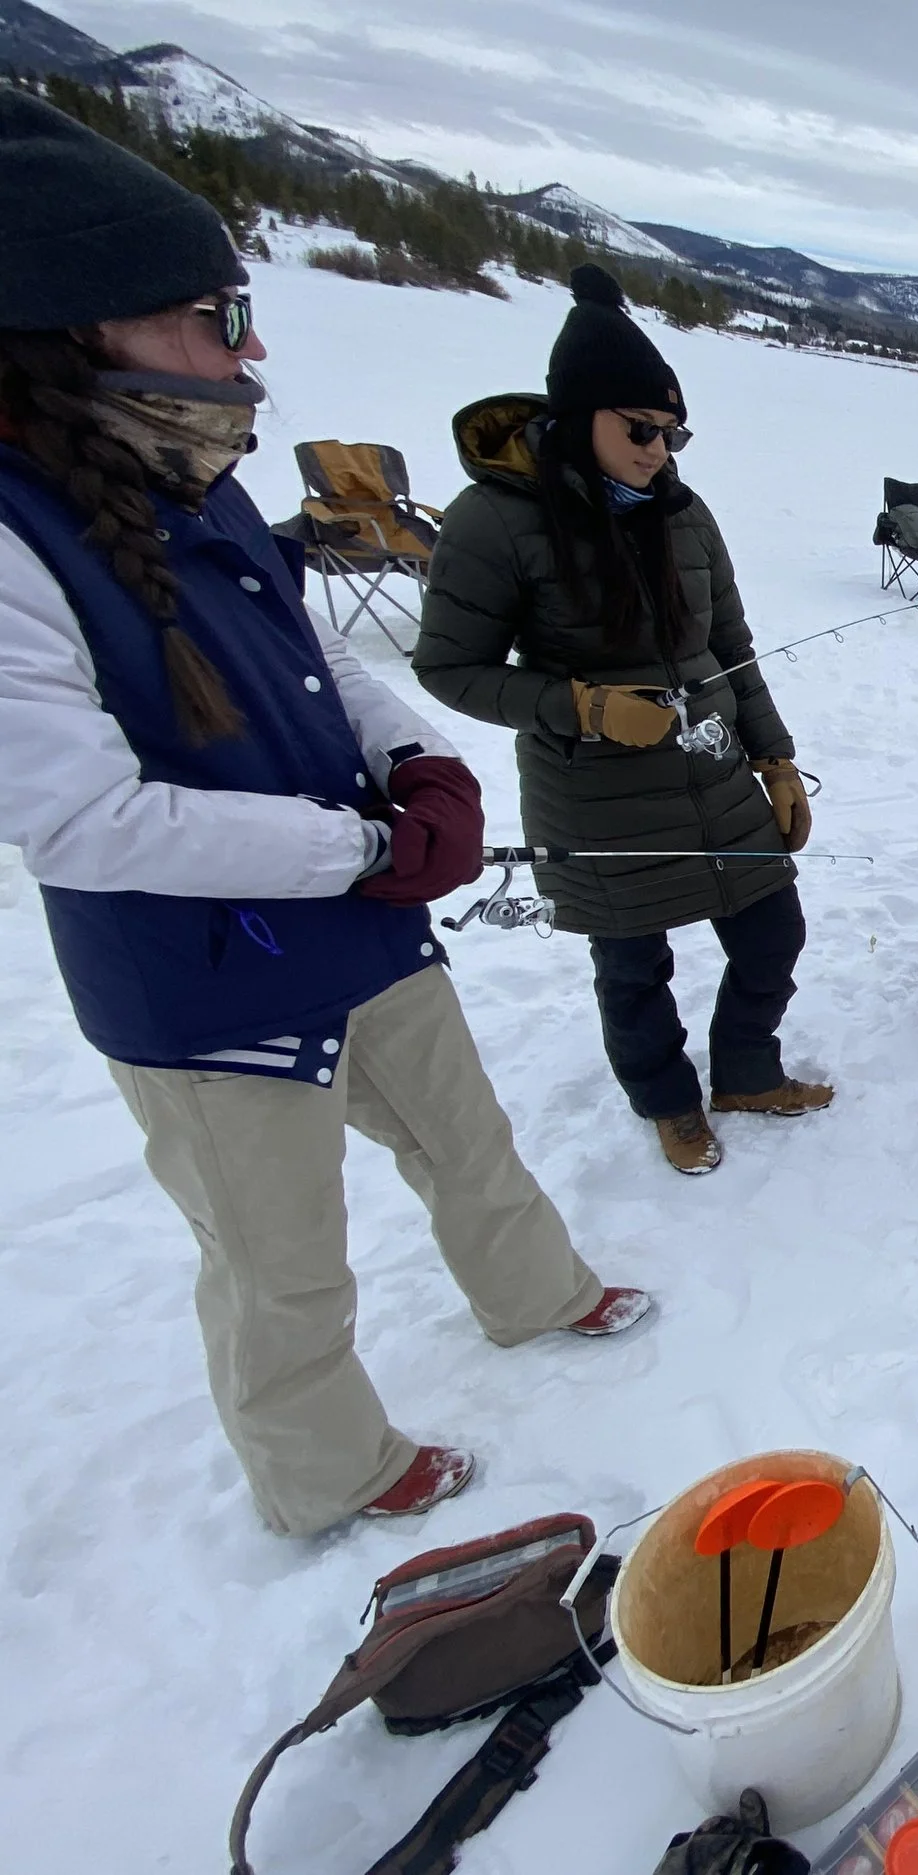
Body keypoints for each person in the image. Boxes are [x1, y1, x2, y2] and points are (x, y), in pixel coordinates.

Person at [0, 95, 647, 1533]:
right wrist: (359, 845)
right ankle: (325, 1470)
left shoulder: (193, 472)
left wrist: (421, 764)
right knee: (277, 1262)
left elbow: (319, 656)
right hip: (204, 986)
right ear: (82, 325)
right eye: (218, 315)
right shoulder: (13, 533)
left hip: (360, 924)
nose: (250, 349)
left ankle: (535, 1292)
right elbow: (82, 819)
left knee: (468, 1142)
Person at [414, 265, 827, 1174]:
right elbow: (447, 667)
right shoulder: (495, 519)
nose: (658, 449)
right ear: (579, 415)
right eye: (640, 428)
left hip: (714, 778)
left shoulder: (684, 513)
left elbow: (732, 648)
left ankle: (746, 1072)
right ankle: (669, 1102)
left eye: (673, 432)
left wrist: (776, 759)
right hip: (595, 799)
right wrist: (582, 707)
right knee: (634, 969)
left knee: (774, 933)